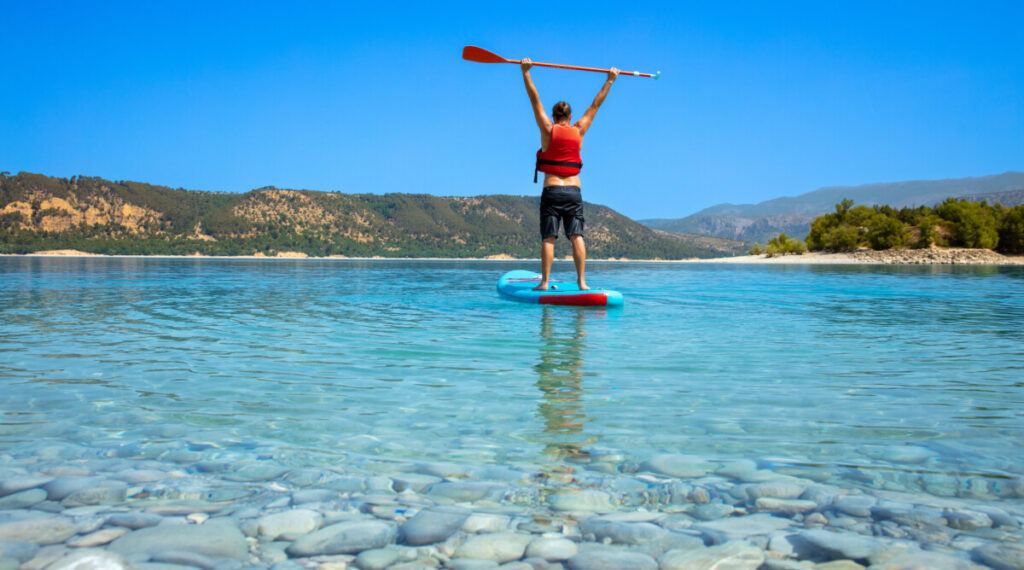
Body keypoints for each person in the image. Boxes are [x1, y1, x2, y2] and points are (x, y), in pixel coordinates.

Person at [521, 58, 618, 291]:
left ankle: (544, 283)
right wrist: (610, 80)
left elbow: (535, 101)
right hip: (573, 191)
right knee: (577, 236)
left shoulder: (547, 129)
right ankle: (582, 282)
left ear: (554, 117)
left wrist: (526, 73)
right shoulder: (580, 129)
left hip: (552, 190)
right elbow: (595, 105)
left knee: (549, 238)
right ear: (570, 117)